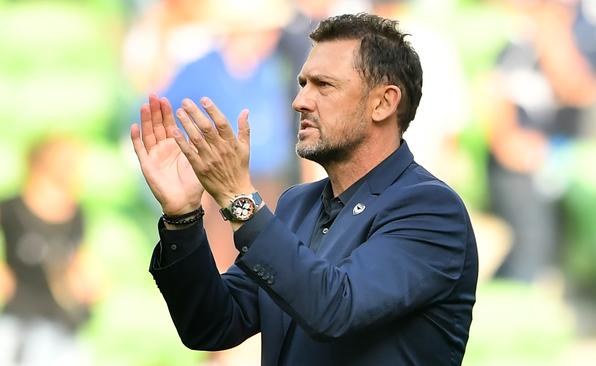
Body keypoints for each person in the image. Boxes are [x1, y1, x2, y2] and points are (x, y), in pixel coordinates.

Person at [131, 13, 478, 365]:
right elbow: (212, 325)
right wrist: (183, 218)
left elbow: (336, 308)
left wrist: (239, 200)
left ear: (383, 102)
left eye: (323, 85)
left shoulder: (431, 209)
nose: (300, 101)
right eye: (302, 83)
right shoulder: (298, 205)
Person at [0, 136, 99, 365]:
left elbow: (79, 258)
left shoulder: (76, 213)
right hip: (18, 317)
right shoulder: (11, 209)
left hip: (61, 322)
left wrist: (86, 279)